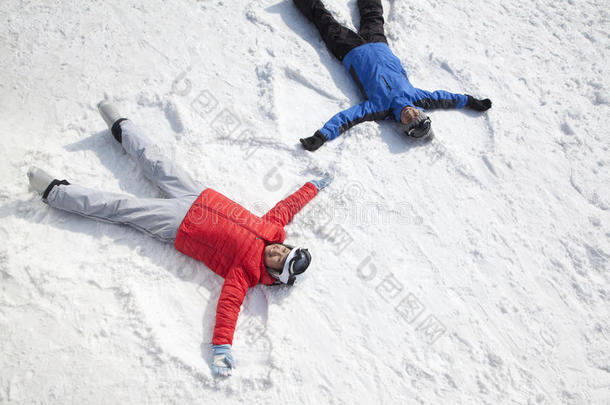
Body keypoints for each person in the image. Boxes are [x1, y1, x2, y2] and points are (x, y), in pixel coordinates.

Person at [27, 101, 333, 377]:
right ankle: (122, 127)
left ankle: (56, 192)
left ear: (274, 274)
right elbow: (287, 207)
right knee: (157, 161)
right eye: (285, 250)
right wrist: (312, 188)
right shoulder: (272, 229)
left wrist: (222, 347)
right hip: (197, 194)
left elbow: (228, 307)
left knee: (123, 208)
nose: (278, 251)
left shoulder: (245, 274)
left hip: (178, 225)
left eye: (279, 260)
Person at [294, 0, 493, 151]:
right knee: (373, 13)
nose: (411, 114)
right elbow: (445, 99)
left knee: (324, 21)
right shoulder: (418, 97)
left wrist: (321, 136)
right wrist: (470, 101)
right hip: (379, 45)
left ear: (403, 125)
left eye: (409, 121)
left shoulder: (380, 109)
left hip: (350, 51)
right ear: (420, 111)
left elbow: (348, 118)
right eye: (416, 115)